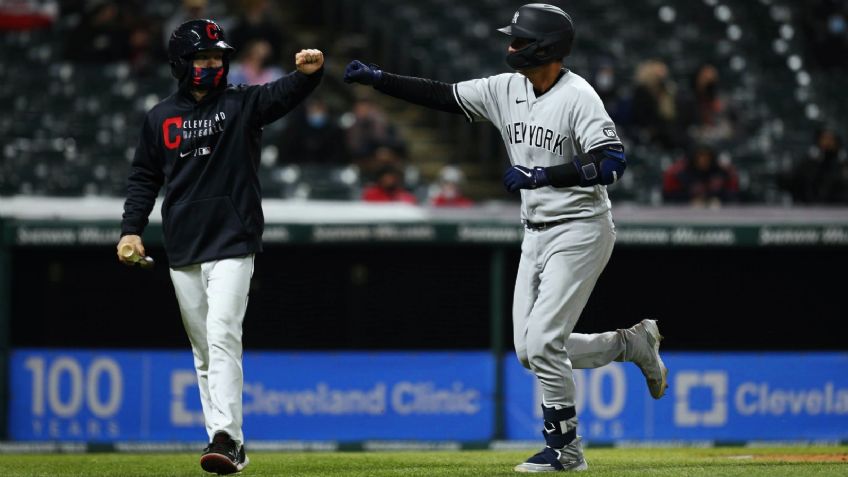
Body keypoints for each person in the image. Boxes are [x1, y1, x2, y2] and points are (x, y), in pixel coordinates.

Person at [343, 3, 667, 472]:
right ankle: (629, 345)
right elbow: (442, 94)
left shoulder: (579, 96)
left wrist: (543, 176)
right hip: (534, 233)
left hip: (580, 229)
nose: (509, 46)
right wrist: (379, 78)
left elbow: (613, 162)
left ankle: (566, 450)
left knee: (542, 345)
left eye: (518, 40)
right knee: (527, 351)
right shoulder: (505, 88)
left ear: (546, 47)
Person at [115, 19, 323, 475]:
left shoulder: (241, 103)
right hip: (184, 243)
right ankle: (230, 444)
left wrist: (308, 74)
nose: (212, 64)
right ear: (180, 64)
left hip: (232, 238)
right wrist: (131, 229)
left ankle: (224, 437)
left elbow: (280, 96)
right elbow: (144, 178)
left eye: (217, 57)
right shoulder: (159, 118)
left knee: (222, 333)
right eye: (203, 58)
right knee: (205, 352)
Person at [779, 127, 848, 204]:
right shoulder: (810, 161)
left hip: (839, 208)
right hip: (811, 208)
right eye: (824, 138)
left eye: (831, 139)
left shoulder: (842, 163)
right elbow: (796, 181)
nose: (828, 142)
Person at [662, 144, 739, 207]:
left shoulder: (722, 173)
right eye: (700, 157)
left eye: (707, 157)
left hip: (720, 212)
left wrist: (719, 200)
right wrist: (689, 201)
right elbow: (669, 197)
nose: (703, 160)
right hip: (686, 213)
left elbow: (734, 195)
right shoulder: (681, 173)